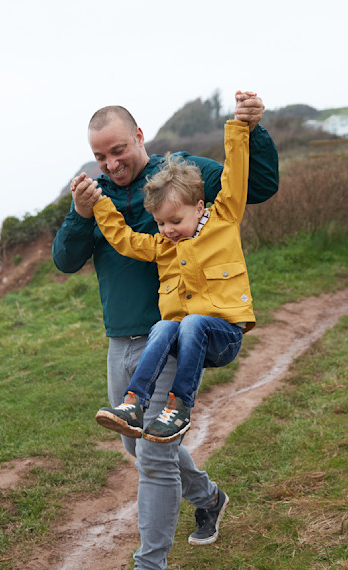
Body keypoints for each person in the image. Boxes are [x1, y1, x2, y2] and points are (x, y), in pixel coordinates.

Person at [52, 92, 278, 569]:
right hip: (122, 342)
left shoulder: (184, 172)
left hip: (174, 331)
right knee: (137, 445)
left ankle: (149, 563)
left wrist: (249, 128)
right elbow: (66, 259)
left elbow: (253, 185)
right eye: (100, 156)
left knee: (154, 459)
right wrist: (81, 212)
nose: (111, 163)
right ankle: (208, 496)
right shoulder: (97, 197)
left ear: (138, 136)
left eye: (118, 150)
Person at [91, 118, 255, 445]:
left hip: (223, 335)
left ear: (199, 207)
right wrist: (99, 203)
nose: (167, 230)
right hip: (185, 339)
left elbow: (235, 177)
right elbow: (124, 239)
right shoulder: (164, 247)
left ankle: (179, 408)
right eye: (161, 222)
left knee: (191, 321)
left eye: (176, 221)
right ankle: (133, 404)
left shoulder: (223, 221)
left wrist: (240, 127)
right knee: (163, 326)